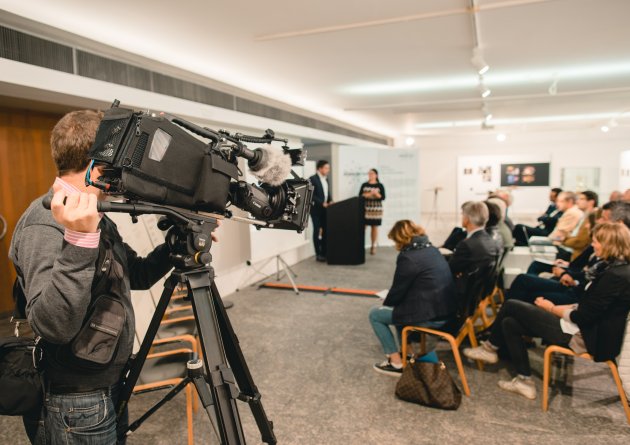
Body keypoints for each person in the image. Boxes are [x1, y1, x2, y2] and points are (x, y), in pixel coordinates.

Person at [8, 110, 215, 444]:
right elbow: (53, 325)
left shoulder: (96, 215)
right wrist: (79, 241)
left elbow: (139, 274)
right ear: (102, 163)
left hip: (109, 385)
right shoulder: (43, 223)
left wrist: (175, 245)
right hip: (76, 402)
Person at [463, 222, 630, 400]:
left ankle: (490, 347)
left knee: (512, 304)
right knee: (509, 323)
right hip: (586, 329)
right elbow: (589, 305)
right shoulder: (614, 270)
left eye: (596, 242)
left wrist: (551, 308)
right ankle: (524, 380)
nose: (593, 245)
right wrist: (562, 307)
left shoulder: (614, 276)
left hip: (585, 337)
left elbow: (583, 316)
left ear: (609, 244)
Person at [370, 220, 457, 376]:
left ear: (401, 238)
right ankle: (407, 354)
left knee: (375, 315)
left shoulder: (408, 257)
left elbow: (398, 290)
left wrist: (386, 301)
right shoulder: (432, 249)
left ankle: (396, 362)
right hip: (446, 311)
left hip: (429, 316)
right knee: (399, 311)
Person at [448, 201, 501, 279]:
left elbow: (450, 269)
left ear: (467, 219)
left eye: (462, 214)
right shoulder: (491, 241)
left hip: (462, 288)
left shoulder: (466, 244)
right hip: (481, 288)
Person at [558, 190, 598, 260]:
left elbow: (580, 241)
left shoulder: (592, 217)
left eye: (582, 199)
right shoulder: (584, 215)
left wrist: (564, 241)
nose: (577, 202)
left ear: (591, 202)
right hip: (571, 249)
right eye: (578, 199)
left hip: (577, 254)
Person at [309, 160, 332, 262]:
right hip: (316, 210)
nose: (328, 170)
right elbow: (311, 195)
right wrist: (321, 203)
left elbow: (327, 193)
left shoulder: (326, 179)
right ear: (320, 168)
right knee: (317, 231)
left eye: (328, 168)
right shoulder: (312, 179)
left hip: (326, 209)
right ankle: (318, 254)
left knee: (326, 230)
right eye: (326, 168)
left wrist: (331, 200)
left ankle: (325, 252)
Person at [359, 168, 386, 255]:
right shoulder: (364, 184)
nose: (370, 175)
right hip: (365, 209)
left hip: (376, 210)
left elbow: (383, 197)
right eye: (369, 173)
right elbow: (360, 196)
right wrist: (370, 194)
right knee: (363, 227)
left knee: (374, 227)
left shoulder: (380, 185)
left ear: (376, 175)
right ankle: (360, 245)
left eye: (372, 173)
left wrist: (376, 194)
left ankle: (373, 246)